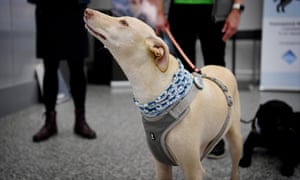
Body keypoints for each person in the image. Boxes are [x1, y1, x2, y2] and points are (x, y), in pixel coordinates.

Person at [155, 0, 244, 158]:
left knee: (217, 73)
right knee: (183, 75)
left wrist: (237, 9)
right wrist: (159, 10)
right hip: (179, 8)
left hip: (215, 12)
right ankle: (187, 133)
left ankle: (215, 136)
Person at [28, 0, 97, 142]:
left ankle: (80, 121)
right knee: (50, 68)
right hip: (48, 13)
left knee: (77, 67)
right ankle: (50, 122)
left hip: (74, 12)